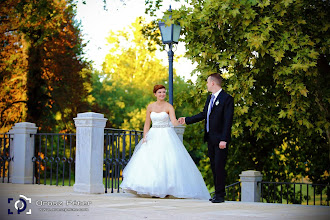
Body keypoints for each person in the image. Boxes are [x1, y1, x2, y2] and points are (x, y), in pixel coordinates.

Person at [120, 85, 210, 200]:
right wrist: (144, 137)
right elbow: (147, 123)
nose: (162, 94)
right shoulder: (150, 107)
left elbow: (173, 121)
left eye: (164, 92)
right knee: (151, 162)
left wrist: (182, 121)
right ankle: (151, 188)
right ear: (155, 94)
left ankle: (166, 190)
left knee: (166, 162)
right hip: (153, 135)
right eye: (159, 92)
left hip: (166, 135)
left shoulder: (169, 106)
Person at [178, 73, 234, 203]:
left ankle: (220, 196)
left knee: (220, 166)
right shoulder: (210, 98)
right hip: (210, 138)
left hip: (221, 140)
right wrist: (186, 120)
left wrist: (224, 139)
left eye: (208, 83)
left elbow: (227, 121)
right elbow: (204, 114)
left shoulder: (227, 99)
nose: (207, 85)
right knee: (214, 166)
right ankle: (217, 194)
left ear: (213, 83)